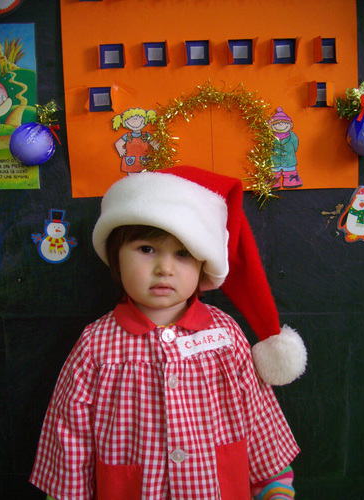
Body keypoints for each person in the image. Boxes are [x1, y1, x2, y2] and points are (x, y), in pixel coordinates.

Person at [30, 166, 307, 499]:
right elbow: (69, 432)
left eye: (183, 253)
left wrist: (275, 486)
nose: (165, 268)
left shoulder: (226, 336)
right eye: (147, 249)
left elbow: (259, 415)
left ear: (203, 263)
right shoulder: (96, 346)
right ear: (116, 256)